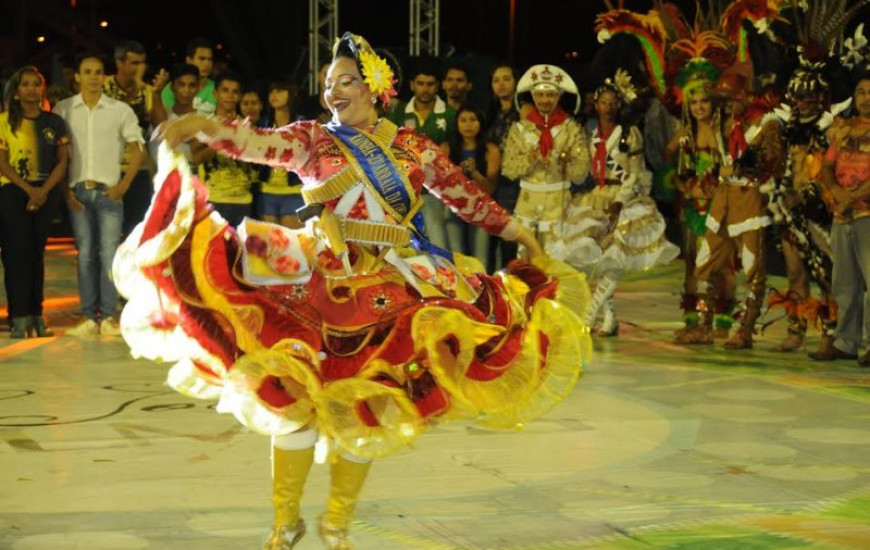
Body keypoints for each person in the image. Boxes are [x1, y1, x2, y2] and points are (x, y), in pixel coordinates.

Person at [124, 32, 589, 550]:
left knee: (369, 407)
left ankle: (337, 523)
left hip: (399, 287)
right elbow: (256, 143)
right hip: (325, 285)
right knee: (294, 403)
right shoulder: (312, 140)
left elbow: (465, 196)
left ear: (375, 88)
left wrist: (519, 233)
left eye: (345, 81)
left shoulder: (414, 147)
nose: (332, 93)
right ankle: (285, 523)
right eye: (327, 84)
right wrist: (206, 127)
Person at [555, 70, 679, 336]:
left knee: (613, 258)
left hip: (623, 198)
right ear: (596, 103)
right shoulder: (589, 133)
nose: (608, 107)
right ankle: (610, 318)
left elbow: (635, 171)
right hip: (596, 196)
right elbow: (583, 166)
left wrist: (621, 200)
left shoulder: (629, 133)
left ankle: (589, 315)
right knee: (600, 259)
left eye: (613, 102)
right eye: (604, 102)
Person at [54, 52, 144, 337]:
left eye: (98, 72)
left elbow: (138, 148)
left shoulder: (119, 110)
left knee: (108, 256)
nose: (93, 77)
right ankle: (88, 317)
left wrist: (124, 185)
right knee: (85, 257)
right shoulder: (63, 109)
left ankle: (107, 316)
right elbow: (58, 153)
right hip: (78, 191)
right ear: (78, 76)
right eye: (87, 71)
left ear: (103, 76)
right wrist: (65, 190)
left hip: (109, 192)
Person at [666, 62, 739, 345]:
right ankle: (692, 321)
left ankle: (719, 320)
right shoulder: (685, 133)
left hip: (720, 208)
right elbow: (666, 160)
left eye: (704, 100)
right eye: (693, 101)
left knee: (721, 266)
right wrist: (679, 180)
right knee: (692, 267)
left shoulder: (725, 130)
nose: (699, 107)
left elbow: (739, 164)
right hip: (692, 208)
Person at [0, 66, 69, 338]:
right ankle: (18, 316)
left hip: (45, 191)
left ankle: (36, 315)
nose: (31, 89)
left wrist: (43, 191)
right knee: (16, 254)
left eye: (36, 84)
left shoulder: (53, 122)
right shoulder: (5, 121)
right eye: (25, 85)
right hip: (13, 192)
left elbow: (62, 161)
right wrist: (29, 190)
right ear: (16, 92)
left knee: (36, 254)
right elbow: (3, 164)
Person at [813, 70, 870, 365]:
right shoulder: (844, 130)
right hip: (842, 216)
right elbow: (825, 167)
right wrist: (836, 191)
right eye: (861, 92)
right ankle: (847, 342)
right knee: (845, 283)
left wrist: (852, 196)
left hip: (866, 215)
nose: (866, 98)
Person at [501, 64, 591, 251]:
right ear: (533, 96)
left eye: (550, 95)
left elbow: (582, 172)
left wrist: (565, 162)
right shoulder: (519, 129)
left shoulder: (571, 128)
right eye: (540, 95)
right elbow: (508, 169)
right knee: (527, 261)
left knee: (557, 258)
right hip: (527, 205)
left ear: (558, 97)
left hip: (560, 204)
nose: (545, 100)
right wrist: (529, 159)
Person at [446, 104, 501, 258]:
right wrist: (457, 173)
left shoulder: (491, 150)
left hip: (481, 211)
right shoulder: (447, 148)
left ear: (481, 122)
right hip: (454, 210)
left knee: (480, 259)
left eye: (472, 120)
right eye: (463, 120)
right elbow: (441, 184)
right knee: (457, 259)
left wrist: (474, 172)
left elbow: (490, 188)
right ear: (456, 124)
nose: (468, 125)